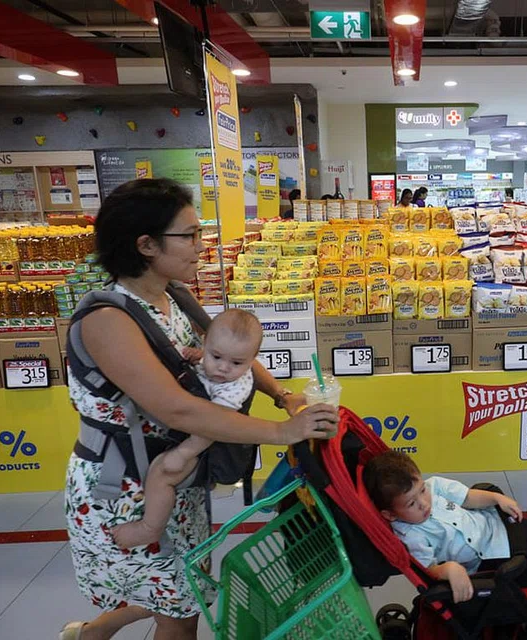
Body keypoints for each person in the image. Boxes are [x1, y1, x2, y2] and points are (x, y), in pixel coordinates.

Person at [61, 178, 338, 640]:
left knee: (182, 589)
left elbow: (232, 355)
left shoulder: (174, 296)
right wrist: (280, 431)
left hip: (179, 475)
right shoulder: (108, 321)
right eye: (188, 235)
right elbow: (179, 411)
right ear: (146, 244)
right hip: (126, 487)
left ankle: (90, 635)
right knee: (180, 607)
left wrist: (283, 396)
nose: (200, 245)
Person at [363, 451, 527, 640]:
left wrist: (494, 498)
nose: (424, 502)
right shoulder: (411, 536)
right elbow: (429, 568)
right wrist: (450, 570)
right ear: (389, 514)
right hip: (488, 564)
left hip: (494, 527)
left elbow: (468, 497)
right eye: (411, 503)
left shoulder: (435, 487)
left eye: (421, 490)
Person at [111, 308, 263, 550]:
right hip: (185, 430)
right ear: (205, 343)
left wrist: (184, 454)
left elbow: (213, 427)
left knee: (163, 473)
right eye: (216, 357)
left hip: (207, 446)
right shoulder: (207, 360)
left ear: (252, 359)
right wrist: (201, 357)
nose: (223, 368)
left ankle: (149, 528)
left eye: (236, 363)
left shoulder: (235, 388)